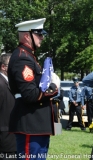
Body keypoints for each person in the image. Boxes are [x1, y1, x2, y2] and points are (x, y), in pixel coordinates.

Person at [7, 18, 59, 159]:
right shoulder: (22, 58)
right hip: (30, 124)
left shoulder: (29, 57)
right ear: (26, 36)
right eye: (38, 34)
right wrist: (54, 87)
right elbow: (30, 94)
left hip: (35, 125)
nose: (42, 37)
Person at [0, 53, 16, 160]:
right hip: (4, 137)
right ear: (3, 67)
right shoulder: (0, 83)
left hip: (11, 136)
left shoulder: (9, 82)